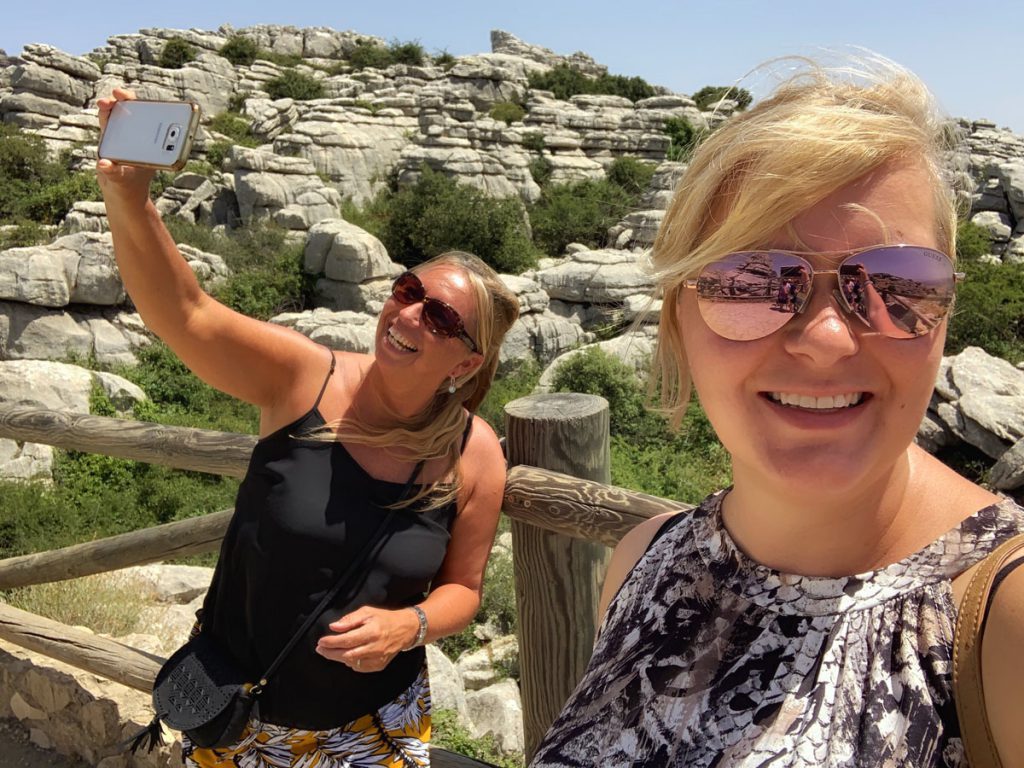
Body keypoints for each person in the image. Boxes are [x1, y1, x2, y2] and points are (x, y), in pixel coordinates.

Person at [531, 58, 1024, 767]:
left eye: (897, 282)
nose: (826, 339)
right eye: (750, 281)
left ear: (945, 313)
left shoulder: (1002, 623)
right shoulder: (644, 559)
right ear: (679, 319)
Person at [97, 88, 520, 767]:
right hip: (240, 720)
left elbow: (463, 590)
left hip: (373, 727)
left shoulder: (472, 453)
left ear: (466, 362)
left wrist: (406, 626)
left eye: (440, 318)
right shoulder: (306, 380)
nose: (409, 315)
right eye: (409, 291)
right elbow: (187, 314)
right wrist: (129, 198)